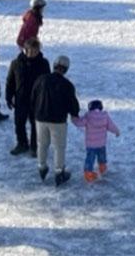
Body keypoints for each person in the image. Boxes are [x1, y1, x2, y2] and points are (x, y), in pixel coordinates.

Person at [32, 54, 80, 186]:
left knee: (42, 144)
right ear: (66, 69)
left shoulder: (41, 79)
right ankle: (59, 172)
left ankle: (42, 167)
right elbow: (72, 104)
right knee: (59, 147)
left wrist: (35, 111)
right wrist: (75, 114)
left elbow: (33, 96)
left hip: (40, 118)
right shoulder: (67, 85)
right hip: (58, 121)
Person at [7, 37, 50, 156]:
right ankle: (22, 143)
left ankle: (34, 146)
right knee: (19, 123)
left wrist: (46, 99)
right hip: (21, 99)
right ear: (25, 50)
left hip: (37, 100)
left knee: (35, 124)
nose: (32, 53)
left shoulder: (43, 63)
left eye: (35, 51)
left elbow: (47, 82)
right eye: (30, 51)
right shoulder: (16, 63)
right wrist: (8, 96)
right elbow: (10, 81)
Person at [73, 99, 120, 182]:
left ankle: (88, 173)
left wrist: (74, 118)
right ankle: (102, 167)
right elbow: (111, 126)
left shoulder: (88, 116)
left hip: (91, 144)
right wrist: (117, 131)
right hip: (101, 144)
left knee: (90, 159)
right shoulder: (105, 116)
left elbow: (79, 123)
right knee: (102, 157)